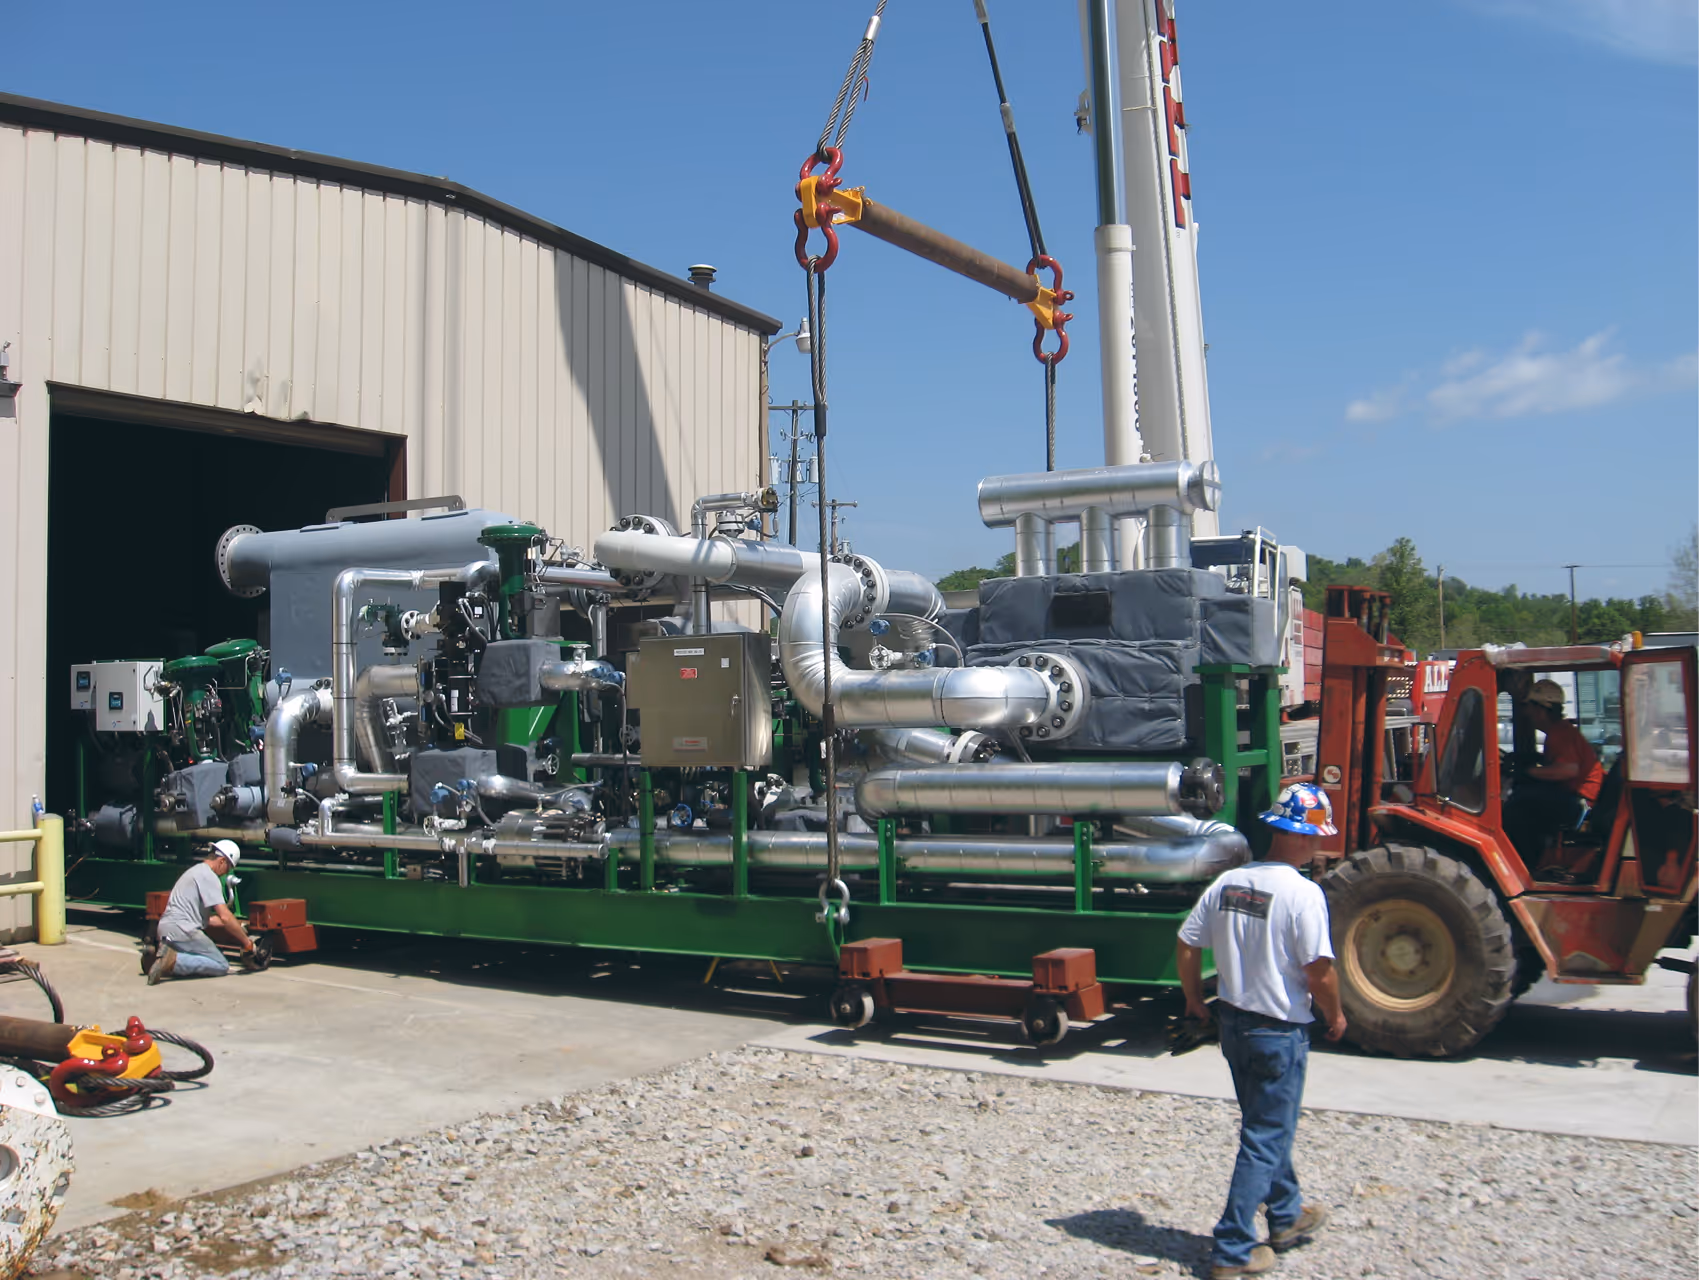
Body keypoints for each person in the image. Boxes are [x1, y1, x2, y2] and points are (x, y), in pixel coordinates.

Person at [1175, 783, 1346, 1279]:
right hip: (1278, 1031)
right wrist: (1335, 1014)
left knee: (1266, 1125)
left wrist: (1193, 999)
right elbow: (1319, 971)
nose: (1319, 846)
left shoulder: (1229, 883)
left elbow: (1187, 943)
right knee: (1265, 1135)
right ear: (1302, 837)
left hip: (1234, 1025)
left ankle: (1286, 1216)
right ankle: (1233, 1249)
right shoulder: (1303, 894)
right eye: (1317, 837)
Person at [1504, 679, 1604, 873]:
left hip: (1579, 803)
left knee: (1516, 807)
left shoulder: (1560, 733)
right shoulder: (1559, 732)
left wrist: (1527, 772)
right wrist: (1532, 759)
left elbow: (1568, 770)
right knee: (1524, 798)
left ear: (1541, 709)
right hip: (1574, 798)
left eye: (1529, 707)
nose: (1526, 713)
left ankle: (1523, 866)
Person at [148, 840, 257, 983]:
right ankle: (173, 961)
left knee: (195, 957)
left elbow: (209, 920)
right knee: (220, 965)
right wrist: (247, 943)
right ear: (222, 861)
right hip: (184, 930)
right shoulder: (209, 877)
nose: (226, 873)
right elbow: (225, 916)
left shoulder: (194, 871)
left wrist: (239, 926)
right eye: (229, 868)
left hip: (165, 929)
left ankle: (155, 959)